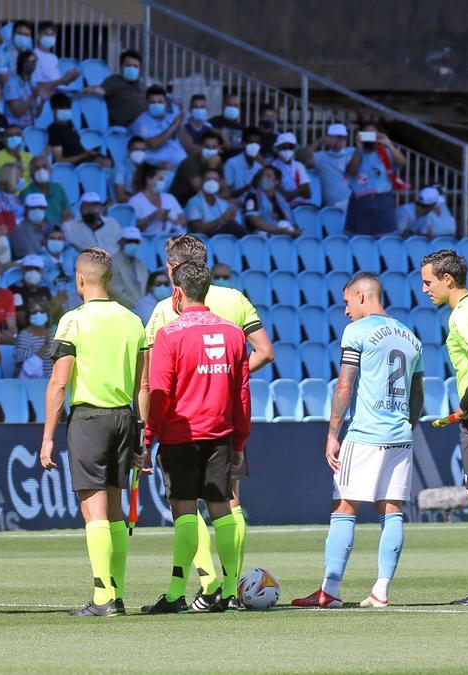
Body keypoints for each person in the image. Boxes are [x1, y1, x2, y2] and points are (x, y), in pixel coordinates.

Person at [141, 234, 274, 611]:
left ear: (176, 278)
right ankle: (229, 590)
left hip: (182, 428)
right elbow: (247, 381)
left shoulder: (167, 319)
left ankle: (185, 589)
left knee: (184, 507)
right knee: (227, 504)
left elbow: (157, 386)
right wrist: (239, 437)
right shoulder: (234, 312)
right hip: (223, 429)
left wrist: (148, 434)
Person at [291, 272, 422, 610]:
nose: (346, 311)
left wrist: (333, 433)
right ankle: (381, 590)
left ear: (362, 297)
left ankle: (330, 590)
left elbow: (345, 386)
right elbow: (417, 396)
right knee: (391, 511)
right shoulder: (411, 337)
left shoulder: (357, 331)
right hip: (400, 437)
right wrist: (407, 425)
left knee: (344, 509)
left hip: (364, 434)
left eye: (347, 302)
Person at [39, 247, 145, 616]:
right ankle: (115, 592)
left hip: (90, 418)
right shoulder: (133, 320)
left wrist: (48, 435)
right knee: (115, 512)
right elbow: (142, 386)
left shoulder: (72, 321)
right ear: (111, 280)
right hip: (124, 417)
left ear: (80, 279)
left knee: (94, 512)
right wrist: (141, 434)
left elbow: (58, 382)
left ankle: (103, 597)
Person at [419, 250, 468, 606]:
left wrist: (466, 403)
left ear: (448, 280)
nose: (424, 289)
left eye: (429, 282)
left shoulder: (461, 316)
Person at [345, 126, 406, 236]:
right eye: (366, 134)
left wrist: (389, 144)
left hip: (383, 199)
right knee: (359, 239)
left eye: (372, 135)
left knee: (387, 238)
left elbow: (402, 162)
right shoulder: (353, 152)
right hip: (360, 201)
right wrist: (358, 148)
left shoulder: (386, 152)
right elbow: (352, 171)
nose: (370, 138)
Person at [129, 86, 186, 168]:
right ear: (146, 103)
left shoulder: (172, 117)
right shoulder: (141, 121)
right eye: (153, 102)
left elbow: (186, 144)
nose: (156, 105)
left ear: (166, 103)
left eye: (160, 102)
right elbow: (153, 144)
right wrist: (173, 126)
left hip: (180, 164)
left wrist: (181, 121)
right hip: (156, 165)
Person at [87, 50, 145, 128]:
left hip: (141, 130)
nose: (132, 68)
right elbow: (100, 91)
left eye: (135, 66)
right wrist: (91, 89)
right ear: (121, 67)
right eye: (128, 65)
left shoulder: (142, 86)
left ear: (140, 69)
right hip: (119, 131)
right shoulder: (114, 80)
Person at [303, 123, 354, 208]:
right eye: (338, 137)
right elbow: (304, 159)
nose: (342, 140)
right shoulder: (321, 157)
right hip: (331, 207)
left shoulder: (353, 152)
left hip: (353, 204)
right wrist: (319, 142)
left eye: (344, 138)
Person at [242, 165, 301, 237]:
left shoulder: (281, 199)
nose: (264, 178)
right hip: (260, 235)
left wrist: (295, 230)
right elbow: (254, 220)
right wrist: (275, 230)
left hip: (282, 233)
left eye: (268, 176)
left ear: (276, 181)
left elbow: (290, 220)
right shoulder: (252, 196)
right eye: (262, 175)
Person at [168, 130, 225, 205]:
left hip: (205, 198)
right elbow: (200, 191)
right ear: (200, 147)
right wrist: (211, 167)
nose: (211, 150)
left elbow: (225, 191)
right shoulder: (190, 162)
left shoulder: (217, 161)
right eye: (207, 147)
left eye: (214, 147)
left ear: (219, 149)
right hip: (182, 199)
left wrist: (222, 199)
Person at [185, 167, 244, 237]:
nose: (212, 183)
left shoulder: (223, 203)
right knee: (231, 225)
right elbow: (197, 229)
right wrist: (222, 219)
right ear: (202, 181)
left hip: (221, 239)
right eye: (208, 179)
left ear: (219, 183)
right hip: (204, 240)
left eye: (215, 180)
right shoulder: (194, 202)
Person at [128, 164, 185, 236]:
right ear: (149, 180)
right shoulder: (135, 201)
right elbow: (134, 226)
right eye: (160, 179)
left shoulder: (170, 197)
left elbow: (183, 220)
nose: (163, 182)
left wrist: (170, 219)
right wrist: (153, 216)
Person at [14, 300, 53, 380]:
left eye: (42, 311)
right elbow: (28, 369)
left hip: (52, 382)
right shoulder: (24, 336)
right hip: (30, 383)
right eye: (34, 312)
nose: (38, 315)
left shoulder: (55, 332)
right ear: (28, 316)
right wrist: (45, 345)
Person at [270, 132, 311, 207]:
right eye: (284, 147)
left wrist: (290, 195)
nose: (287, 150)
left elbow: (308, 193)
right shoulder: (272, 167)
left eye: (290, 147)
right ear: (277, 149)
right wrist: (299, 191)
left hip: (300, 207)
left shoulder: (299, 166)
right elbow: (275, 192)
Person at [223, 127, 264, 195]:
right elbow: (227, 192)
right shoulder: (231, 163)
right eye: (251, 142)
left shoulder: (260, 165)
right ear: (243, 144)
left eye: (257, 143)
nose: (254, 145)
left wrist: (263, 165)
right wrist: (249, 186)